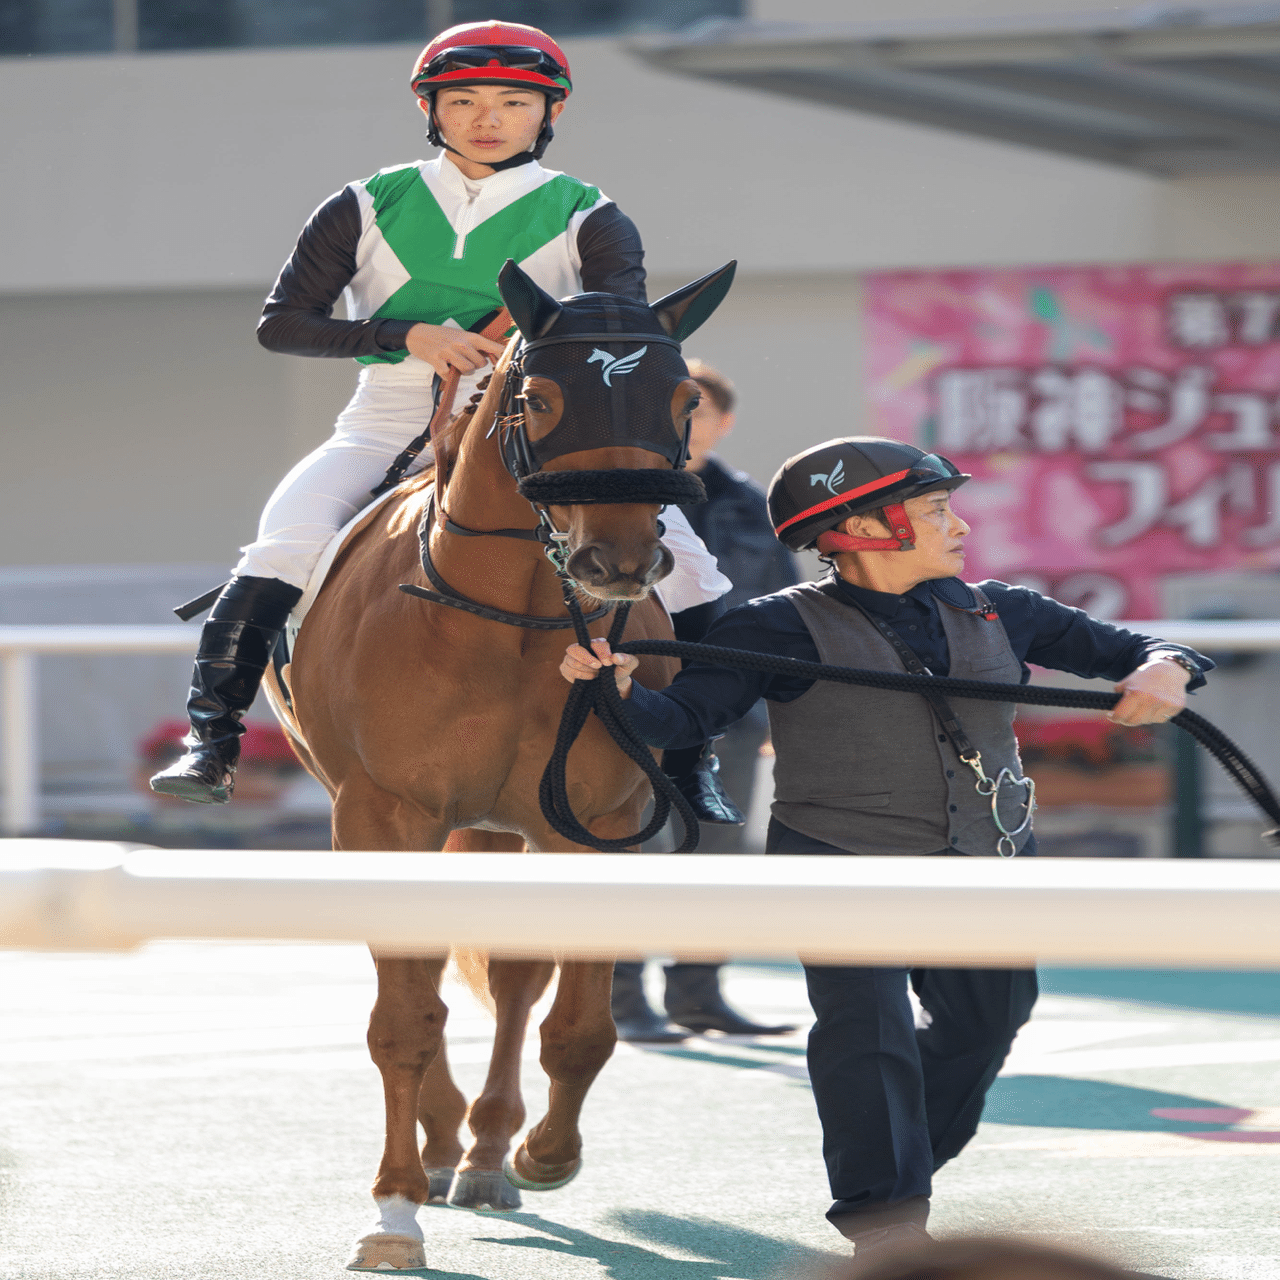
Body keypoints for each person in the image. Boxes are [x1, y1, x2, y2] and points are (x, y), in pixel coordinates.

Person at [561, 436, 1212, 1256]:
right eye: (937, 511)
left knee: (990, 1024)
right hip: (837, 857)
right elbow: (682, 721)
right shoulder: (771, 627)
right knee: (865, 1035)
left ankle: (900, 1165)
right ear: (862, 530)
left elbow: (1148, 652)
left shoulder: (1006, 610)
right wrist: (611, 689)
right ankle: (887, 1222)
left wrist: (1165, 670)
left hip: (989, 856)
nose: (960, 527)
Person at [149, 20, 735, 815]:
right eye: (462, 100)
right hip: (385, 418)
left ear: (547, 113)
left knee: (691, 566)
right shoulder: (365, 202)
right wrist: (405, 335)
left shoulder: (587, 212)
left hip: (533, 424)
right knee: (283, 542)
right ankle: (212, 740)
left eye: (512, 101)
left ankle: (695, 757)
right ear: (432, 110)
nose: (487, 118)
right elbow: (283, 322)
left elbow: (618, 339)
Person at [612, 360, 800, 1042]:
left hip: (732, 713)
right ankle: (621, 999)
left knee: (716, 860)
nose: (689, 427)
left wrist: (782, 708)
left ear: (725, 423)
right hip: (637, 702)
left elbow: (783, 609)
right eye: (675, 413)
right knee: (633, 849)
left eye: (702, 413)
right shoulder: (620, 493)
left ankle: (699, 996)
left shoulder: (751, 500)